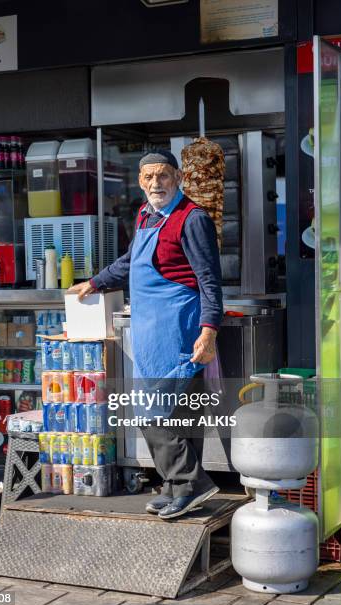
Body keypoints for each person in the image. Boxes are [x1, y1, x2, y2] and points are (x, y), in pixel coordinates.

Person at [67, 149, 223, 519]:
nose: (156, 183)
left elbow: (210, 280)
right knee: (176, 414)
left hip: (178, 327)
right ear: (140, 182)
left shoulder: (192, 218)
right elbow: (129, 261)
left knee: (151, 412)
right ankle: (176, 487)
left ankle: (192, 483)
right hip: (151, 329)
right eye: (149, 177)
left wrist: (209, 331)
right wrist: (95, 282)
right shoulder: (146, 216)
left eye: (164, 176)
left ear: (178, 178)